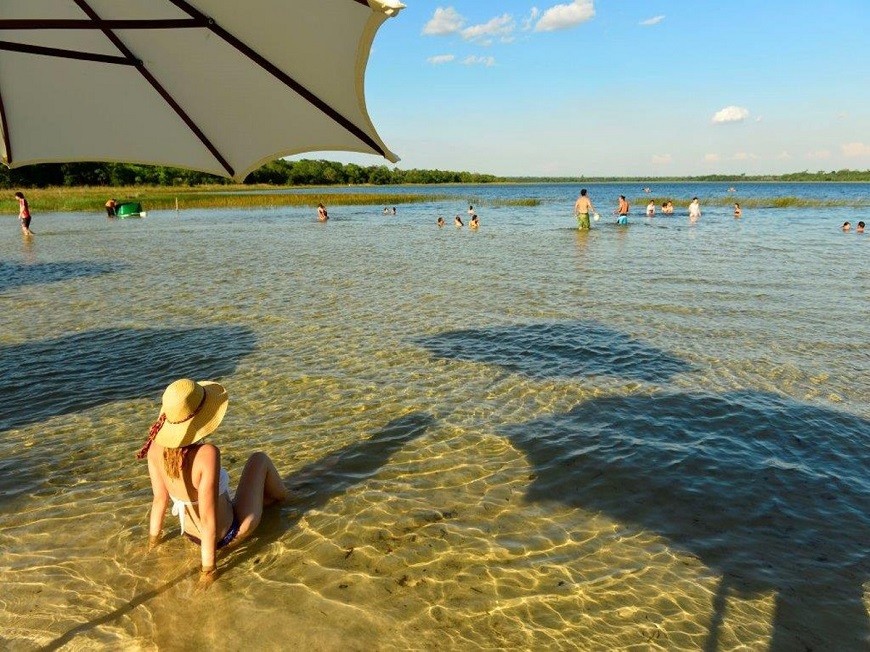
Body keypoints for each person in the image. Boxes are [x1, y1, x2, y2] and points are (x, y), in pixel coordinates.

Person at [138, 379, 288, 583]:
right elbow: (208, 520)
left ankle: (275, 502)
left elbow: (159, 501)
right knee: (259, 459)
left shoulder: (154, 448)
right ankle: (293, 500)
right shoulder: (206, 454)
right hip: (229, 535)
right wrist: (208, 571)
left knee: (264, 499)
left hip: (193, 538)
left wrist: (152, 543)